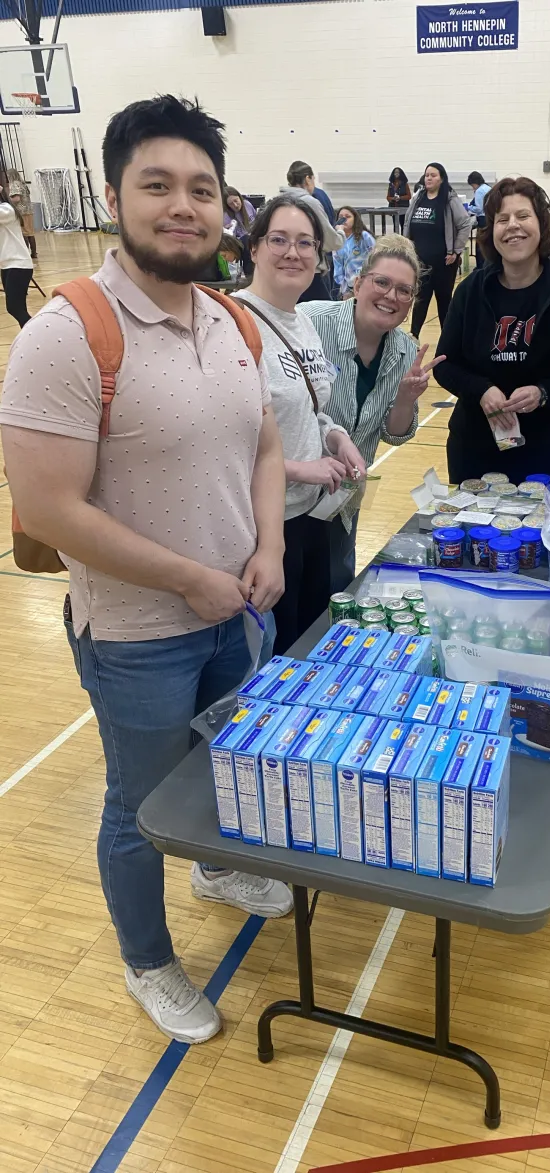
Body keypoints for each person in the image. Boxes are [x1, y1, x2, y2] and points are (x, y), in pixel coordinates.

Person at [0, 95, 294, 1045]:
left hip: (234, 608)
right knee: (137, 801)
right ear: (115, 199)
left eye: (201, 189)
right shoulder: (67, 331)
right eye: (157, 185)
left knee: (226, 765)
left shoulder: (233, 322)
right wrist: (185, 578)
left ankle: (213, 866)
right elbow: (47, 509)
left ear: (224, 208)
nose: (183, 205)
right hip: (137, 636)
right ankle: (147, 959)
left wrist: (270, 545)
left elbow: (261, 448)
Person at [235, 194, 366, 650]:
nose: (293, 252)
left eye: (305, 243)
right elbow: (224, 443)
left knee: (310, 643)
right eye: (279, 240)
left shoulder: (301, 322)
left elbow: (311, 408)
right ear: (254, 248)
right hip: (266, 527)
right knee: (276, 654)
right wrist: (298, 468)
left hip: (313, 514)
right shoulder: (233, 323)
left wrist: (335, 437)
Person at [301, 235, 441, 592]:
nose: (391, 296)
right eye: (382, 282)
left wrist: (407, 398)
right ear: (358, 283)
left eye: (404, 291)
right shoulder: (310, 323)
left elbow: (393, 433)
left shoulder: (405, 351)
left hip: (343, 501)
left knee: (333, 596)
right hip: (291, 496)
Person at [434, 176, 550, 484]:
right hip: (473, 445)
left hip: (542, 447)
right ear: (491, 230)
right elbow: (445, 364)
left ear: (541, 225)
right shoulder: (470, 292)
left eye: (523, 216)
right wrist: (481, 391)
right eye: (502, 219)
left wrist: (543, 392)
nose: (512, 226)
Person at [403, 162, 471, 339]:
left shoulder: (449, 199)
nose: (429, 178)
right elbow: (408, 222)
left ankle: (448, 339)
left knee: (444, 301)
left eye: (433, 175)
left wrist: (455, 251)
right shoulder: (419, 197)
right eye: (427, 175)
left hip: (444, 262)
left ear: (441, 178)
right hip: (420, 262)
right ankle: (414, 337)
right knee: (420, 300)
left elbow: (465, 224)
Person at [281, 160, 344, 301]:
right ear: (308, 178)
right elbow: (330, 242)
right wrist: (340, 232)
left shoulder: (277, 202)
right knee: (322, 319)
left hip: (283, 272)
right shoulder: (310, 203)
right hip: (310, 273)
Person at [0, 182, 33, 328]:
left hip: (18, 265)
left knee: (16, 308)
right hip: (7, 265)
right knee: (15, 309)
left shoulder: (7, 211)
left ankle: (37, 334)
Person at [334, 206, 376, 298]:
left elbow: (375, 256)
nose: (344, 219)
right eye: (341, 217)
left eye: (347, 217)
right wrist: (343, 289)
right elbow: (338, 266)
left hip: (365, 283)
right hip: (348, 287)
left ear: (355, 219)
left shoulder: (364, 236)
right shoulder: (338, 240)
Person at [6, 169, 36, 258]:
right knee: (30, 232)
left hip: (22, 211)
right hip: (29, 210)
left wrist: (7, 201)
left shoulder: (15, 184)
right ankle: (33, 253)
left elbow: (16, 199)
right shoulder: (22, 183)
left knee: (24, 232)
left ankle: (25, 252)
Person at [465, 171, 492, 270]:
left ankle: (480, 266)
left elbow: (479, 208)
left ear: (474, 183)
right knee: (487, 243)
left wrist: (468, 208)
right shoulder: (488, 187)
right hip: (490, 218)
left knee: (480, 245)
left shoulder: (479, 191)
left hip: (483, 220)